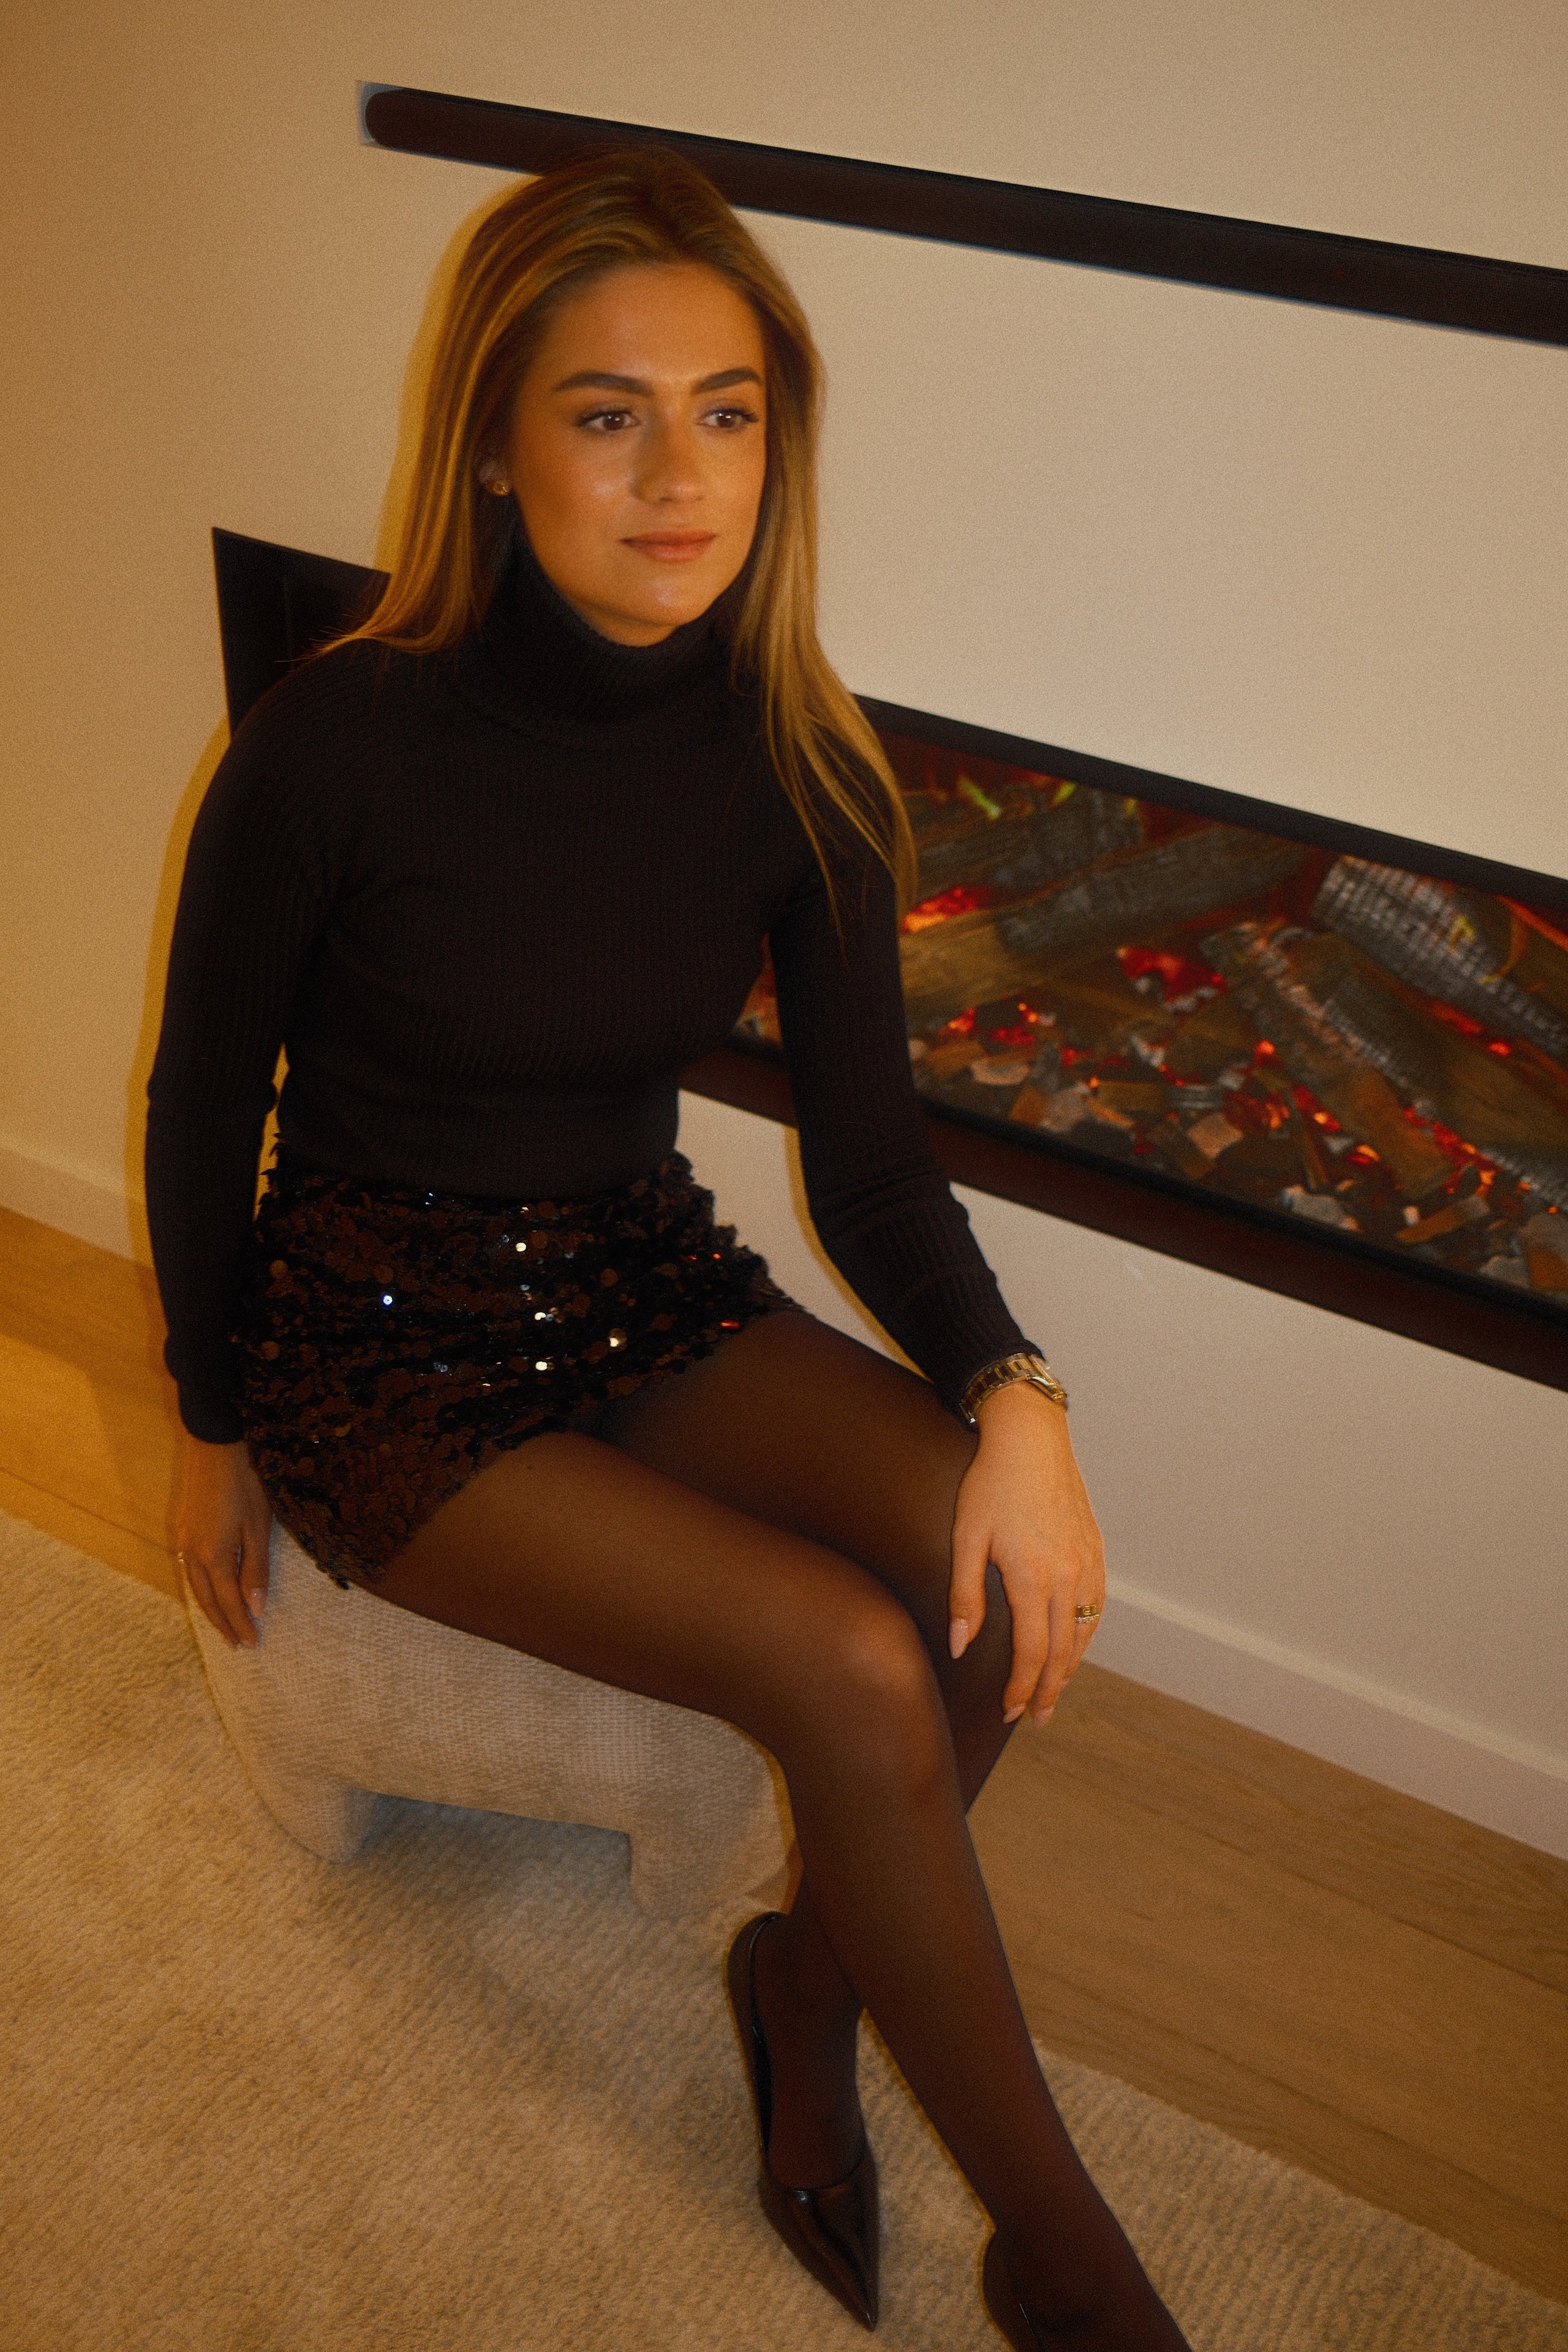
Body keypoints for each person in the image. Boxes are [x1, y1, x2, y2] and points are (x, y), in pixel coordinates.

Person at [147, 148, 1189, 2350]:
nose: (678, 474)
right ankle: (1079, 2277)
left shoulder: (800, 757)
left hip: (631, 1273)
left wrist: (1020, 1402)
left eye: (727, 412)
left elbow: (876, 1173)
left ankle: (806, 1976)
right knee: (847, 1661)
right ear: (495, 446)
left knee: (984, 1560)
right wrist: (211, 1419)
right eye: (608, 413)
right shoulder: (339, 742)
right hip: (380, 1342)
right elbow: (198, 1101)